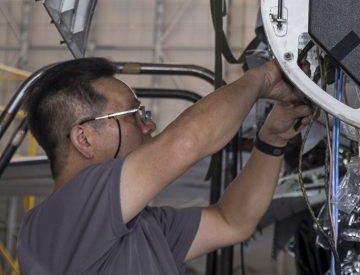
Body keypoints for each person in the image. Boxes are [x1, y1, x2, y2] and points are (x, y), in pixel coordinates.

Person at [18, 56, 312, 274]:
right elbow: (188, 142)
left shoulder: (144, 226)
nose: (149, 125)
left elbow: (232, 221)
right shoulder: (58, 220)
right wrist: (265, 77)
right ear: (84, 138)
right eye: (133, 115)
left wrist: (271, 139)